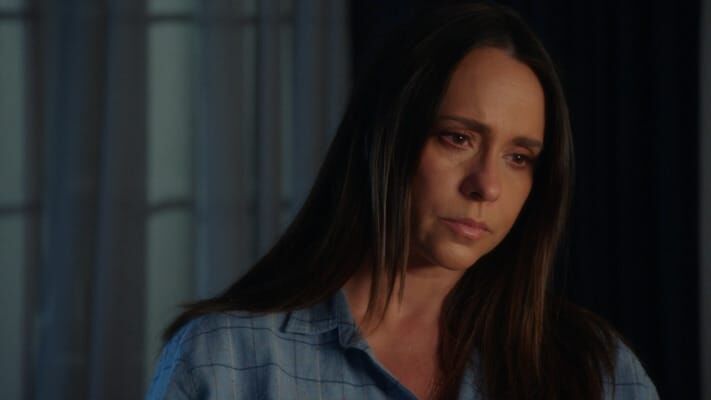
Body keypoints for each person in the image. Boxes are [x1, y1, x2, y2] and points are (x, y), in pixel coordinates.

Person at [146, 2, 659, 399]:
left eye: (518, 157)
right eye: (458, 138)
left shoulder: (597, 370)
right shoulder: (229, 357)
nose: (487, 186)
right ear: (387, 139)